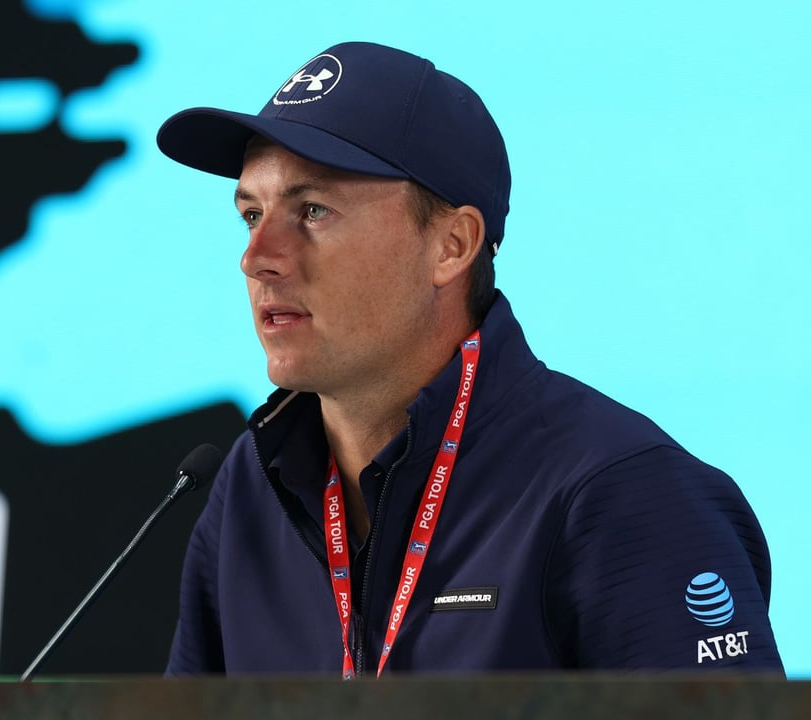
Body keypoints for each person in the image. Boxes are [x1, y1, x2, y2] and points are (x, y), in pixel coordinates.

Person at [155, 41, 783, 675]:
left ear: (452, 245)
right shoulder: (249, 485)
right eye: (251, 215)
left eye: (313, 211)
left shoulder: (622, 493)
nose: (257, 258)